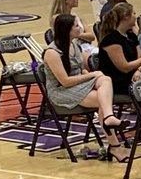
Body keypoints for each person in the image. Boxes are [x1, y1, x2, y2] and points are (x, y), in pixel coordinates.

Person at [42, 12, 125, 161]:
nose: (79, 28)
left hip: (78, 83)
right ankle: (114, 145)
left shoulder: (74, 44)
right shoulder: (52, 52)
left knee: (105, 80)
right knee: (103, 99)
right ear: (67, 29)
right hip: (61, 91)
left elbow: (81, 70)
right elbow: (65, 81)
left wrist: (91, 75)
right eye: (76, 25)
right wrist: (92, 75)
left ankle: (109, 119)